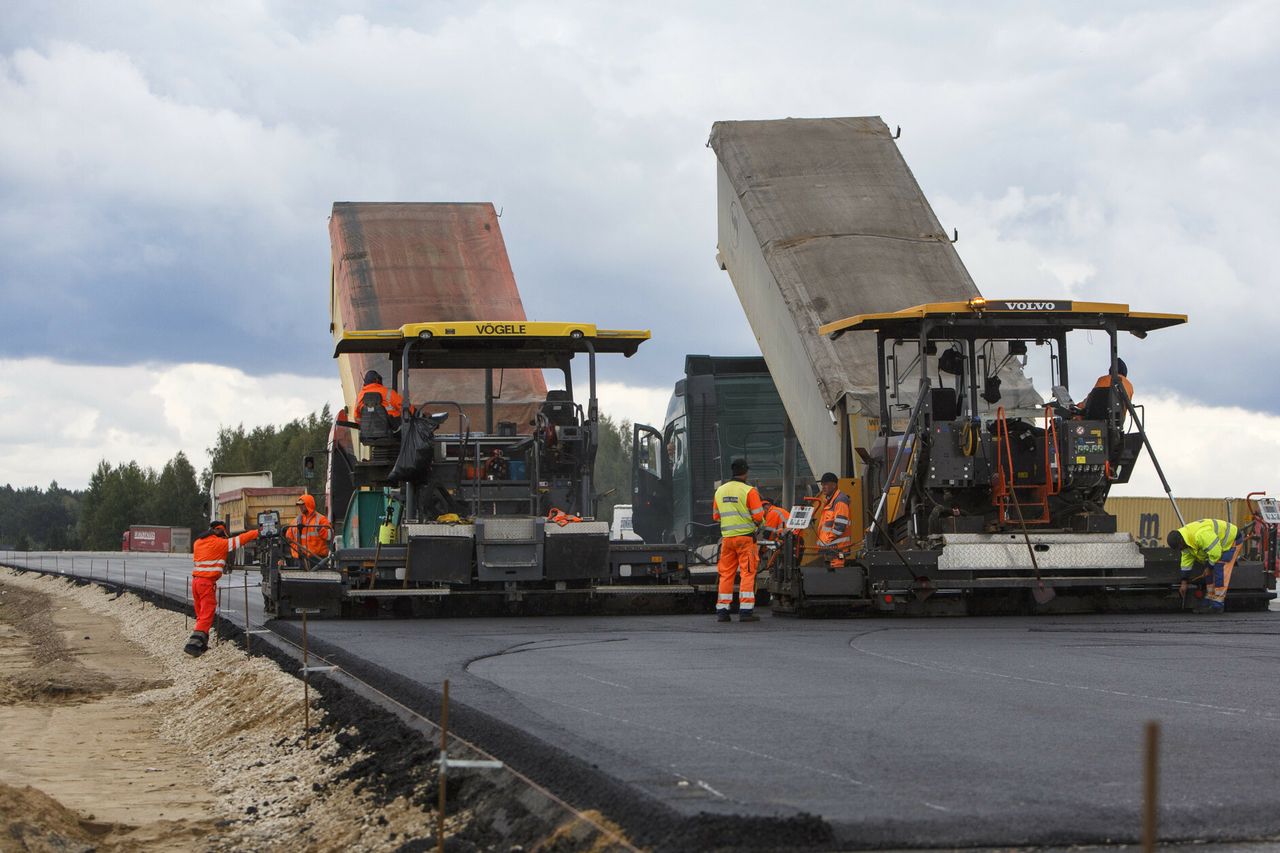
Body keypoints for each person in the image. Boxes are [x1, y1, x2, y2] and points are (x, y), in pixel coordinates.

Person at [184, 520, 260, 657]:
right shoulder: (218, 543)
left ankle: (202, 644)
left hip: (195, 582)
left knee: (201, 615)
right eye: (224, 535)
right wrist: (258, 532)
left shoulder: (198, 543)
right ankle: (193, 645)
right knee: (207, 614)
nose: (225, 538)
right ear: (219, 531)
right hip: (206, 583)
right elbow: (241, 539)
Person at [712, 458, 765, 622]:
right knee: (747, 573)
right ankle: (745, 611)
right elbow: (758, 516)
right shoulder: (749, 491)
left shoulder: (719, 491)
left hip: (727, 540)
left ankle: (722, 610)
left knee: (726, 574)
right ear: (746, 472)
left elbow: (715, 516)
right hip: (745, 539)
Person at [1169, 518, 1244, 613]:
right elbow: (1186, 563)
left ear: (1181, 542)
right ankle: (1210, 599)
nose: (1180, 550)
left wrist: (1209, 567)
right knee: (1209, 571)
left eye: (1179, 548)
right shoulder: (1185, 542)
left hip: (1231, 541)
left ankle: (1218, 604)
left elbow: (1216, 553)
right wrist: (1184, 582)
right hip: (1216, 547)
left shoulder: (1201, 535)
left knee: (1219, 568)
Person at [816, 472, 852, 568]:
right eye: (822, 484)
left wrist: (828, 541)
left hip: (836, 548)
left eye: (826, 484)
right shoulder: (830, 501)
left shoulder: (840, 500)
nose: (823, 487)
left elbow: (840, 526)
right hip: (830, 548)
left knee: (836, 575)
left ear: (834, 485)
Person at [287, 493, 332, 567]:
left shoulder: (321, 519)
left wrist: (321, 530)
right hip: (300, 560)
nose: (300, 507)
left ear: (309, 504)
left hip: (317, 559)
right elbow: (288, 538)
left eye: (302, 505)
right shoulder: (295, 521)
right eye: (299, 505)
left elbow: (329, 536)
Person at [758, 497, 791, 573]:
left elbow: (768, 534)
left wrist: (761, 551)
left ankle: (771, 567)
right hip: (789, 538)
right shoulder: (777, 511)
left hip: (787, 538)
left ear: (766, 507)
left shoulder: (772, 513)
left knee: (774, 547)